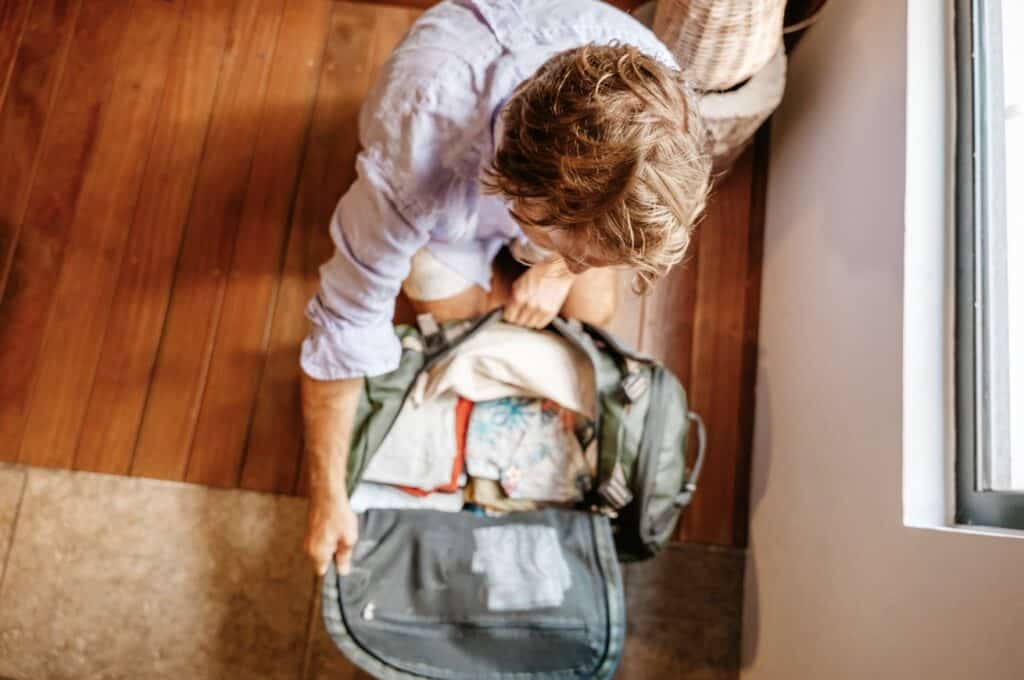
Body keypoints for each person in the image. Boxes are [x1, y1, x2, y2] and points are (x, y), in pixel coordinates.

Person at [301, 0, 710, 575]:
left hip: (540, 196)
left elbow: (592, 249)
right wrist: (328, 497)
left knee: (596, 311)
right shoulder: (413, 159)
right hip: (445, 200)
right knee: (453, 321)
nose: (576, 263)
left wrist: (560, 267)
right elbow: (343, 330)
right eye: (571, 250)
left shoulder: (667, 113)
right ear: (517, 196)